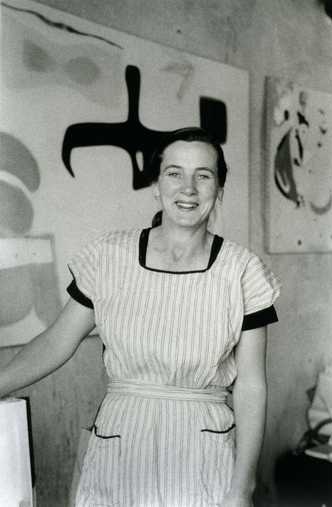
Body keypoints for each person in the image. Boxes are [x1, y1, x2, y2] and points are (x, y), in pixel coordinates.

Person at [0, 127, 280, 507]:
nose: (188, 188)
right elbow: (56, 342)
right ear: (155, 184)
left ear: (219, 189)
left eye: (203, 175)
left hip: (203, 450)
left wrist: (241, 487)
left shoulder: (244, 272)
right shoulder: (109, 257)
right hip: (120, 443)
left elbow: (251, 386)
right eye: (174, 173)